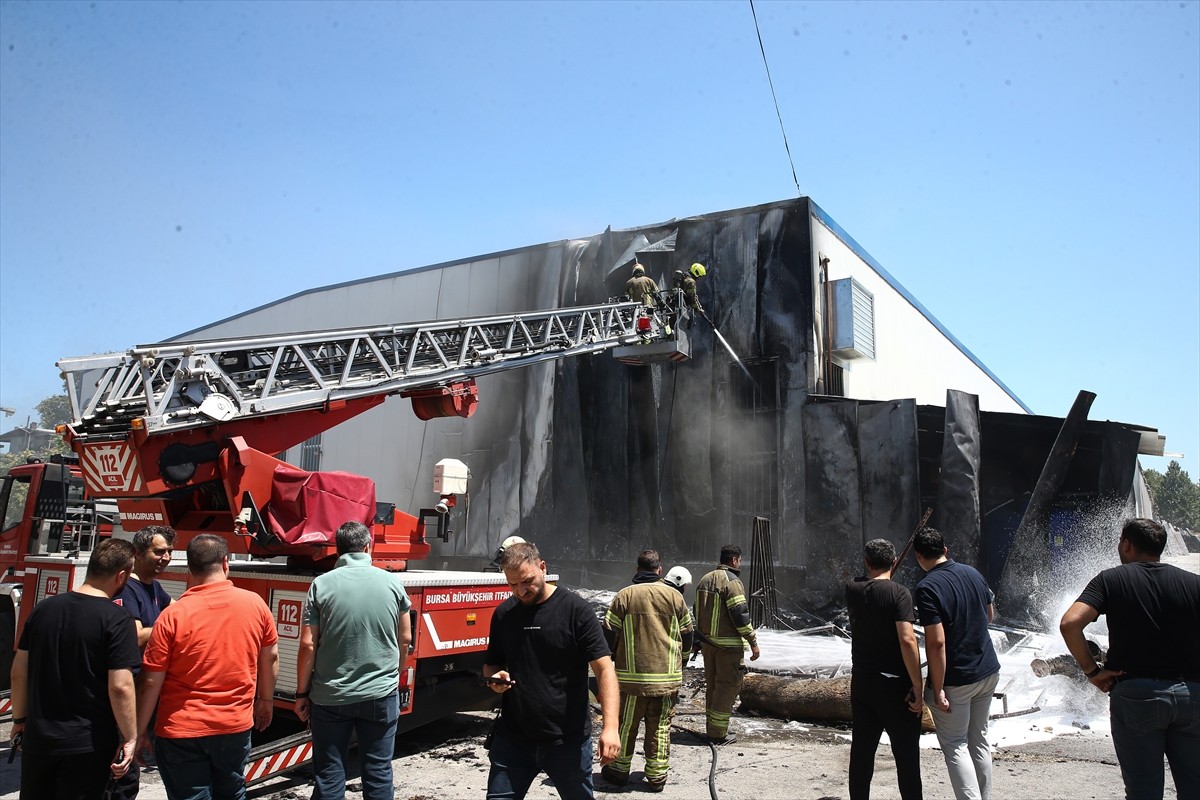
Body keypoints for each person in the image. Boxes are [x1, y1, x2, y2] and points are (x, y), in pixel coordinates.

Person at [1059, 518, 1200, 800]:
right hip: (1191, 697)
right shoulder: (1193, 583)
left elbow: (1070, 623)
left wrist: (1092, 671)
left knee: (1143, 792)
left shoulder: (1110, 579)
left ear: (1126, 544)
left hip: (1136, 695)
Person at [135, 534, 279, 800]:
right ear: (226, 563)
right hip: (233, 726)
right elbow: (269, 657)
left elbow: (151, 681)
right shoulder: (256, 604)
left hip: (180, 730)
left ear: (190, 568)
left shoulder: (173, 615)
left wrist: (139, 731)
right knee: (232, 793)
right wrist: (265, 700)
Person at [482, 540, 620, 800]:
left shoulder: (576, 611)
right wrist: (495, 678)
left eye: (527, 581)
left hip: (566, 741)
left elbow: (604, 670)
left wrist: (610, 727)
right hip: (513, 739)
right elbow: (492, 662)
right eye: (512, 585)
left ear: (543, 567)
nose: (521, 591)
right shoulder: (504, 614)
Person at [9, 538, 141, 800]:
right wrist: (130, 737)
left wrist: (19, 721)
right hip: (87, 745)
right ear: (122, 575)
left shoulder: (43, 610)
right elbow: (120, 686)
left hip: (39, 740)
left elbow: (19, 672)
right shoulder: (117, 619)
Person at [295, 521, 413, 800]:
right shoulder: (392, 582)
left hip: (330, 697)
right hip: (380, 694)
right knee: (378, 771)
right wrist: (394, 674)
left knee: (329, 773)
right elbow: (405, 638)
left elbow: (308, 643)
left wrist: (301, 693)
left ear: (337, 551)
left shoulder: (320, 585)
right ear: (368, 547)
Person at [913, 526, 1000, 800]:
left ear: (918, 556)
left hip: (958, 678)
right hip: (987, 669)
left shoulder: (926, 588)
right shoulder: (973, 573)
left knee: (955, 744)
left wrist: (937, 687)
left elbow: (936, 644)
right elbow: (990, 615)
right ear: (945, 550)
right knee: (979, 740)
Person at [599, 550, 694, 792]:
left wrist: (608, 663)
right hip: (666, 680)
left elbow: (608, 633)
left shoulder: (625, 596)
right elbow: (688, 634)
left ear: (637, 569)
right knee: (660, 727)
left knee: (626, 726)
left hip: (632, 682)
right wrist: (681, 662)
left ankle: (619, 771)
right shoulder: (675, 597)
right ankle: (657, 776)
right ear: (659, 570)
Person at [845, 538, 924, 800]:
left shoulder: (852, 589)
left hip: (863, 683)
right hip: (894, 685)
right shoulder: (900, 593)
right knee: (906, 756)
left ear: (866, 561)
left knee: (862, 752)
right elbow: (907, 639)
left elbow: (868, 586)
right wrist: (917, 684)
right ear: (893, 562)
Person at [111, 525, 176, 800]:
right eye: (159, 551)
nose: (166, 557)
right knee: (122, 767)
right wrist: (172, 624)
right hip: (127, 686)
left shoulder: (154, 587)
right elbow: (136, 635)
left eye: (169, 552)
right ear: (137, 553)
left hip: (144, 689)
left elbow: (178, 609)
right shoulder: (129, 590)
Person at [692, 544, 760, 743]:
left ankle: (711, 729)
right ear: (735, 560)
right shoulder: (732, 582)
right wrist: (752, 641)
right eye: (739, 560)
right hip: (728, 649)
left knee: (712, 687)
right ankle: (718, 734)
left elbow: (697, 611)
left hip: (708, 646)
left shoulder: (705, 579)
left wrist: (698, 640)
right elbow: (740, 614)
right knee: (726, 688)